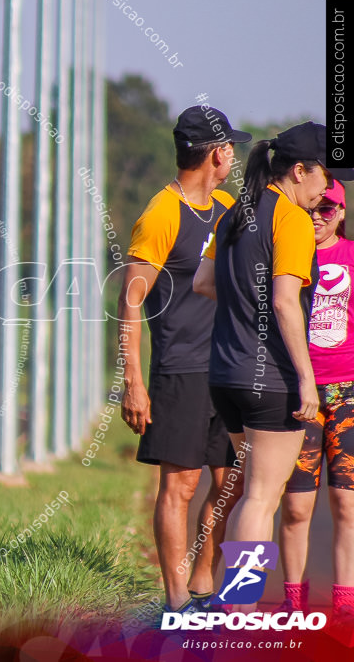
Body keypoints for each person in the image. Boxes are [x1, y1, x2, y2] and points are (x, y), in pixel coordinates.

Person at [193, 121, 354, 610]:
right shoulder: (290, 220)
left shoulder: (237, 211)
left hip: (225, 374)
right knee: (261, 498)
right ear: (300, 170)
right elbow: (287, 303)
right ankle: (239, 607)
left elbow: (203, 281)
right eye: (322, 177)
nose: (324, 190)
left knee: (253, 494)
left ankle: (235, 603)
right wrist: (307, 379)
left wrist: (247, 298)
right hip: (272, 379)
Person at [118, 105, 251, 614]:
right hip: (181, 367)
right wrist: (133, 379)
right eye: (230, 147)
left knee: (233, 481)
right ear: (216, 153)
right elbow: (129, 300)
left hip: (231, 365)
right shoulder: (160, 213)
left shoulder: (227, 205)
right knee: (181, 484)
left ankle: (204, 577)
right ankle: (177, 603)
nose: (233, 154)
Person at [276, 180, 354, 618]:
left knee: (346, 502)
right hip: (298, 394)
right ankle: (293, 601)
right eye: (316, 206)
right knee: (295, 504)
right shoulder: (290, 252)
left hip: (348, 392)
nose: (320, 215)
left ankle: (345, 605)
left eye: (330, 209)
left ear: (341, 213)